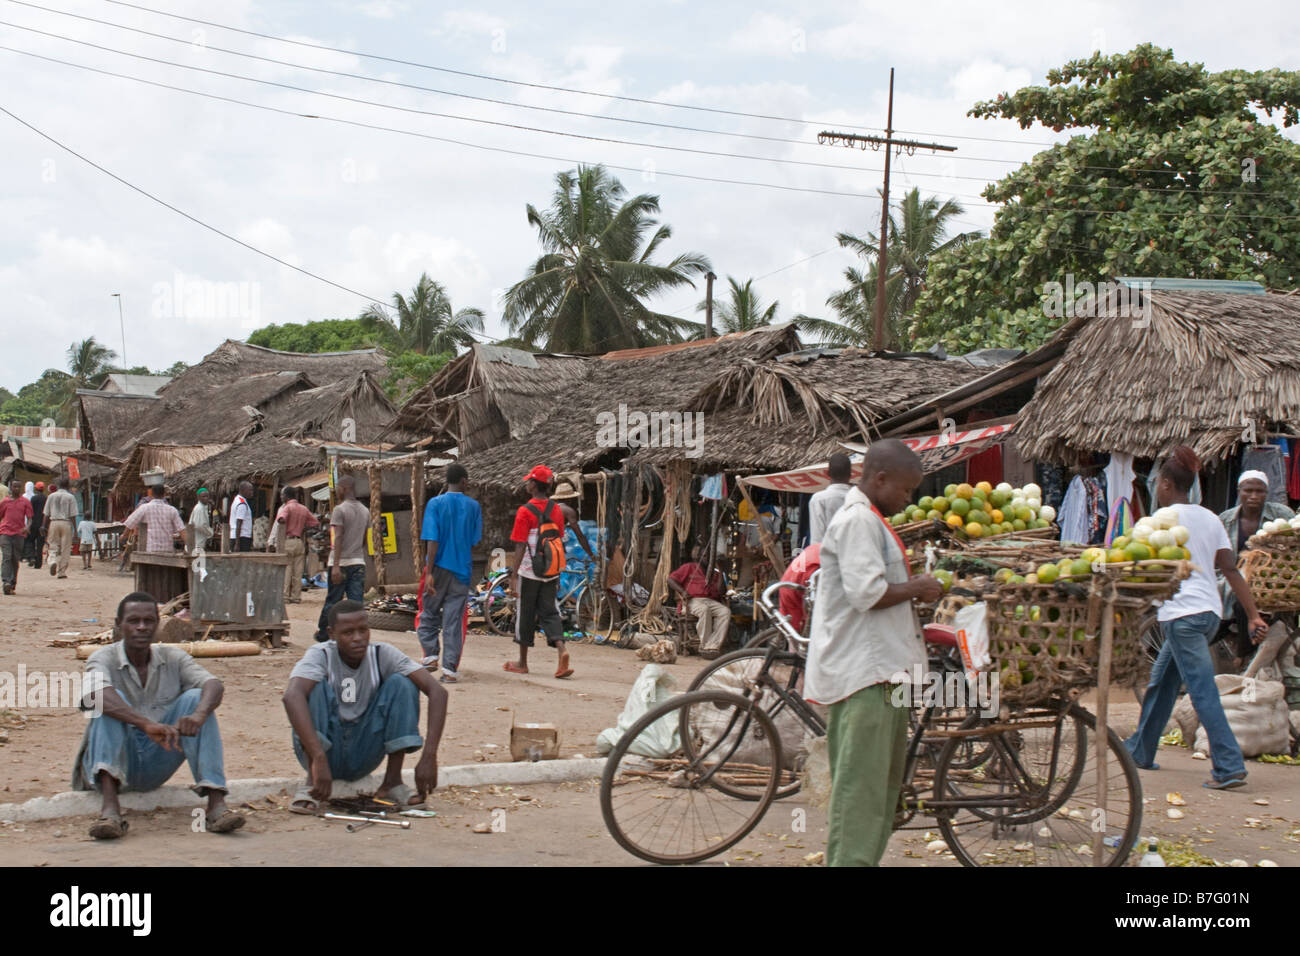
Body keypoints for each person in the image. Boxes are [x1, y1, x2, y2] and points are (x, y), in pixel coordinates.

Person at [804, 439, 944, 866]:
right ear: (879, 479)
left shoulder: (871, 520)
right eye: (905, 489)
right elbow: (869, 593)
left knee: (880, 795)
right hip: (865, 677)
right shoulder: (858, 521)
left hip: (884, 674)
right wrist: (918, 587)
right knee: (860, 797)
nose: (909, 498)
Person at [1126, 446, 1264, 790]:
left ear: (1168, 484)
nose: (1156, 488)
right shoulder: (1211, 517)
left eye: (1157, 483)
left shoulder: (1160, 522)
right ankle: (1140, 750)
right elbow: (1230, 569)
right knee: (1161, 683)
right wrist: (1252, 614)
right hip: (1208, 615)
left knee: (1202, 691)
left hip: (1182, 616)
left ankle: (1229, 766)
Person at [73, 592, 245, 839]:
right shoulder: (103, 657)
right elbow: (93, 696)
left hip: (157, 760)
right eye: (133, 621)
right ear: (119, 625)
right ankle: (110, 812)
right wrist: (145, 724)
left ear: (157, 625)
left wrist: (198, 715)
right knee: (107, 701)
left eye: (148, 621)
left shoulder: (173, 657)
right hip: (114, 762)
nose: (141, 627)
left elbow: (213, 684)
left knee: (196, 700)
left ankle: (217, 805)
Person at [283, 600, 447, 814]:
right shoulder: (320, 655)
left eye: (363, 630)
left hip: (364, 750)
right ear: (331, 634)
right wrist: (319, 757)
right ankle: (312, 783)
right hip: (324, 752)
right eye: (348, 632)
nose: (358, 638)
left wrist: (430, 755)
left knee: (403, 683)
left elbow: (438, 692)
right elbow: (291, 696)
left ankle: (392, 782)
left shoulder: (382, 653)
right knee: (312, 687)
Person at [504, 465, 595, 679]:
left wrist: (514, 575)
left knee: (525, 613)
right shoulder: (557, 510)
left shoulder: (525, 511)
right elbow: (559, 536)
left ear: (535, 485)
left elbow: (519, 544)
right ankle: (562, 652)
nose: (527, 484)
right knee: (550, 612)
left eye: (529, 481)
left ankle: (522, 662)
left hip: (529, 570)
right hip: (551, 571)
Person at [1218, 471, 1293, 662]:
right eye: (1248, 490)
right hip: (1232, 578)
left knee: (1248, 608)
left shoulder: (1280, 514)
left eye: (1259, 491)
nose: (1253, 496)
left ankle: (1244, 655)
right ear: (1239, 491)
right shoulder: (1226, 519)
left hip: (1269, 579)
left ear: (1267, 493)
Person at [418, 464, 482, 682]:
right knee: (453, 621)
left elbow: (432, 539)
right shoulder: (474, 507)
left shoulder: (434, 504)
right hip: (461, 570)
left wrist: (429, 572)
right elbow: (474, 541)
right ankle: (449, 671)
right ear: (463, 481)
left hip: (437, 567)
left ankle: (431, 656)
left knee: (429, 613)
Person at [314, 475, 370, 643]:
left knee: (333, 601)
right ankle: (357, 635)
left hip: (341, 562)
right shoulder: (365, 510)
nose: (336, 490)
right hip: (358, 562)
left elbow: (337, 537)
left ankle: (324, 633)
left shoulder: (340, 510)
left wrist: (336, 565)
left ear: (345, 488)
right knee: (356, 602)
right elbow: (365, 541)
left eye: (338, 487)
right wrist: (357, 552)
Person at [667, 543, 731, 659]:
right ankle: (705, 646)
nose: (708, 558)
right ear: (698, 556)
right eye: (705, 556)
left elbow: (721, 592)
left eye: (710, 556)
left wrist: (721, 571)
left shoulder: (715, 573)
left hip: (710, 601)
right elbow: (671, 580)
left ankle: (713, 646)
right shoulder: (689, 567)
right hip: (692, 600)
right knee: (704, 610)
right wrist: (682, 591)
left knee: (725, 612)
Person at [268, 486, 319, 604]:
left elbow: (281, 520)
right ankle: (296, 597)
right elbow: (315, 523)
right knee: (298, 571)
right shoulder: (303, 508)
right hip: (299, 541)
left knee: (287, 570)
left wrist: (274, 540)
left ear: (286, 496)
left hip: (287, 541)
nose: (281, 497)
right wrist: (302, 528)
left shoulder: (286, 508)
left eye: (282, 495)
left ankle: (285, 596)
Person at [123, 484, 185, 554]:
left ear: (151, 494)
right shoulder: (172, 510)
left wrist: (123, 535)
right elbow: (181, 529)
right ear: (164, 494)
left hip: (151, 549)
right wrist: (189, 546)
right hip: (167, 550)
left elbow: (130, 522)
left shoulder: (144, 507)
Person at [807, 453, 853, 544]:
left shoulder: (818, 499)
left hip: (828, 555)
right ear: (851, 474)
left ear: (827, 473)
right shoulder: (861, 498)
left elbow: (817, 538)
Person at [778, 542, 821, 635]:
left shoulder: (820, 548)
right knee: (799, 634)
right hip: (796, 587)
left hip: (790, 583)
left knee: (794, 633)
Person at [0, 479, 34, 594]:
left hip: (19, 534)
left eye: (18, 487)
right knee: (7, 557)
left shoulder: (25, 502)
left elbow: (30, 518)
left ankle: (13, 583)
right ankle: (6, 582)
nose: (16, 489)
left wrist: (27, 527)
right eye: (14, 487)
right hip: (5, 533)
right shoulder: (5, 502)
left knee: (15, 559)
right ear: (11, 487)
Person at [43, 476, 78, 579]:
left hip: (54, 522)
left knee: (52, 545)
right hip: (66, 524)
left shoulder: (51, 496)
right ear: (68, 485)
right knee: (65, 548)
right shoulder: (71, 497)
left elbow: (46, 513)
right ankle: (61, 572)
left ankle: (52, 560)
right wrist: (75, 531)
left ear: (58, 485)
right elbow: (73, 515)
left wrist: (43, 526)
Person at [26, 480, 47, 569]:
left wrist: (28, 523)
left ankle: (32, 557)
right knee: (40, 544)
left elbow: (30, 511)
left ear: (36, 488)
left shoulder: (33, 498)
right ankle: (38, 564)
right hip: (43, 524)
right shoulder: (46, 498)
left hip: (34, 523)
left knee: (30, 541)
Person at [229, 481, 254, 552]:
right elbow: (239, 523)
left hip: (237, 537)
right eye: (250, 490)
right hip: (241, 538)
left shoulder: (237, 500)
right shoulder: (242, 504)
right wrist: (237, 544)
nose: (252, 492)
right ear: (243, 490)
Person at [189, 488, 214, 554]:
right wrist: (210, 532)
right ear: (198, 497)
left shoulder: (203, 507)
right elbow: (200, 525)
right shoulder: (200, 508)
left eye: (207, 496)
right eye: (203, 496)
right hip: (197, 543)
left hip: (199, 542)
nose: (206, 498)